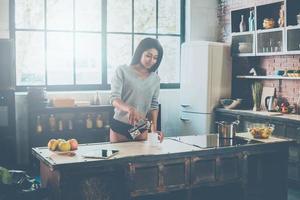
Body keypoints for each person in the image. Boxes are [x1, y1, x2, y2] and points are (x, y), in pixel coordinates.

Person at [109, 37, 164, 143]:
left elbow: (153, 106)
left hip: (140, 127)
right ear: (140, 53)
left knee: (138, 157)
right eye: (148, 55)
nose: (151, 60)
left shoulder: (155, 79)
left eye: (155, 58)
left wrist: (154, 130)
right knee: (120, 157)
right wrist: (130, 109)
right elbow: (114, 99)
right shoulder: (122, 71)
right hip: (120, 125)